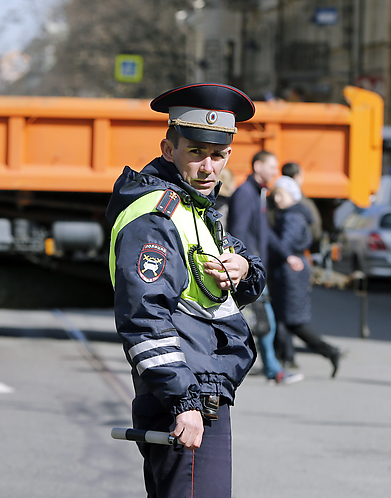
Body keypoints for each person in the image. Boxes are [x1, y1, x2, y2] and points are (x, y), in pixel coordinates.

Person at [107, 83, 266, 498]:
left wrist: (243, 269)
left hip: (202, 391)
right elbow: (144, 319)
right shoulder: (155, 216)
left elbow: (248, 273)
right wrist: (185, 402)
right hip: (186, 397)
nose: (208, 167)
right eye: (196, 152)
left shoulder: (196, 208)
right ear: (168, 148)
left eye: (218, 155)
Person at [228, 150, 303, 384]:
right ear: (257, 165)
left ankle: (271, 368)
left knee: (259, 322)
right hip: (248, 269)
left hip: (255, 269)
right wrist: (244, 264)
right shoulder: (244, 193)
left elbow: (265, 233)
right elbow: (238, 231)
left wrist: (286, 254)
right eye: (271, 166)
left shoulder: (258, 192)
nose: (275, 171)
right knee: (264, 322)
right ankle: (273, 369)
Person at [269, 176, 342, 377]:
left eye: (280, 195)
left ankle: (329, 351)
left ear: (291, 196)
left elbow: (285, 244)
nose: (276, 199)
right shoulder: (291, 214)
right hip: (290, 270)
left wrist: (268, 237)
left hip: (291, 272)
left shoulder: (292, 217)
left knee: (292, 321)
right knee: (282, 318)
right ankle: (280, 360)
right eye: (275, 194)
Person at [280, 162, 322, 248]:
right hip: (297, 252)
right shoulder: (304, 203)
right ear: (296, 177)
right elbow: (316, 232)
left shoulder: (273, 200)